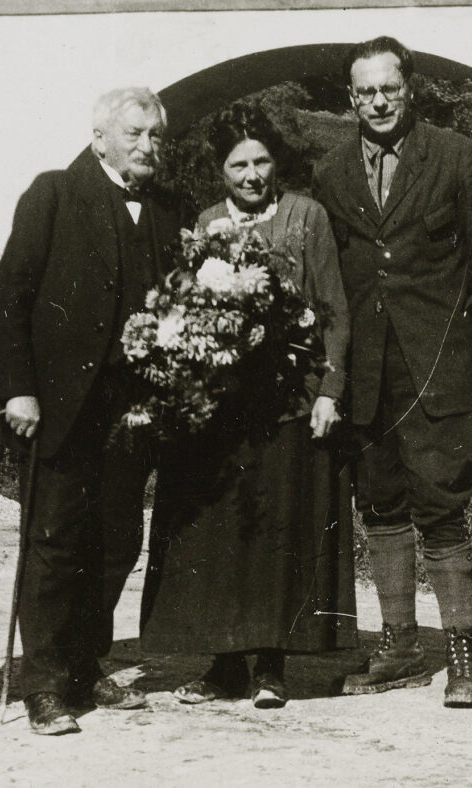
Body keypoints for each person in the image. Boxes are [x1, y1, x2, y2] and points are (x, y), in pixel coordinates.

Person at [312, 36, 472, 708]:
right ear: (352, 98)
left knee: (442, 502)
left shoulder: (455, 157)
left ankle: (463, 655)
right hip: (365, 368)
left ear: (410, 91)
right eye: (366, 92)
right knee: (379, 501)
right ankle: (399, 646)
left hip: (437, 361)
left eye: (389, 89)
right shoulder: (333, 171)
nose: (378, 101)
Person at [139, 102, 356, 709]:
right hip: (222, 409)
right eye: (240, 164)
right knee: (223, 535)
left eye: (262, 161)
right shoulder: (206, 222)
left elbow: (335, 310)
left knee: (279, 534)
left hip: (288, 403)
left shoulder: (306, 216)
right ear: (221, 169)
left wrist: (330, 391)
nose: (253, 174)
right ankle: (224, 665)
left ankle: (271, 667)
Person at [0, 87, 191, 735]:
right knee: (54, 544)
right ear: (100, 136)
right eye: (134, 134)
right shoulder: (52, 194)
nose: (147, 146)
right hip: (60, 406)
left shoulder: (168, 210)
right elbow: (11, 297)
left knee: (116, 543)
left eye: (156, 136)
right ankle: (44, 684)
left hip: (133, 415)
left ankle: (84, 665)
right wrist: (16, 388)